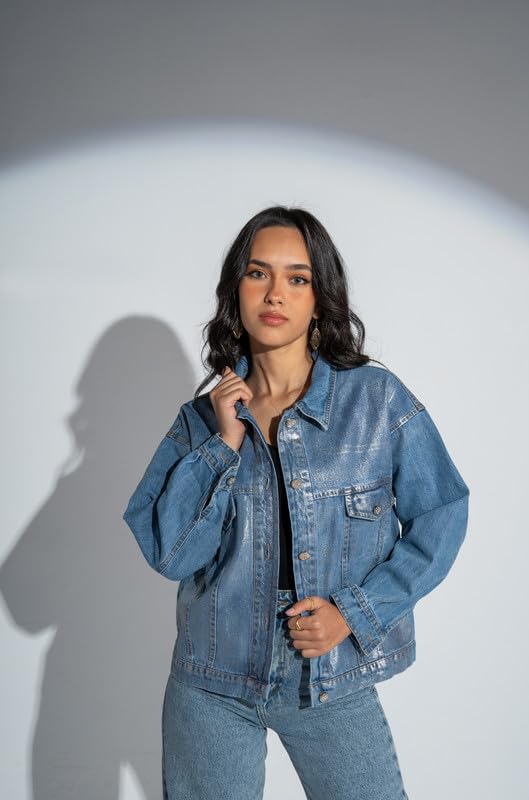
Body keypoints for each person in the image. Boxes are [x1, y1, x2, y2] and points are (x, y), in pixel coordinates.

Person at [122, 205, 470, 800]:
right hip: (212, 680)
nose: (275, 293)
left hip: (329, 670)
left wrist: (353, 614)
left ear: (319, 298)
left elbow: (443, 512)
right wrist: (223, 443)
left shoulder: (376, 401)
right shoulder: (201, 420)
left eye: (297, 278)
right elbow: (171, 553)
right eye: (258, 273)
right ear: (236, 290)